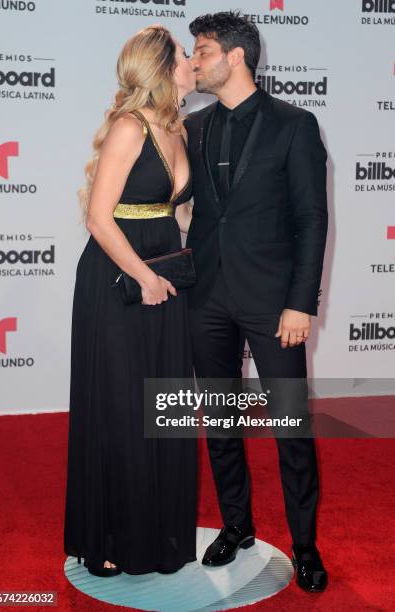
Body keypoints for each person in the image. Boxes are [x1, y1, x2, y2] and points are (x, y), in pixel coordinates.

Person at [182, 11, 329, 592]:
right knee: (218, 421)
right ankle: (236, 524)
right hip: (206, 297)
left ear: (235, 56)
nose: (194, 61)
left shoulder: (295, 124)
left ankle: (305, 545)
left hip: (274, 304)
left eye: (202, 51)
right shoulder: (192, 127)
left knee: (291, 427)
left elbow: (311, 220)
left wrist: (301, 303)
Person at [63, 25, 197, 577]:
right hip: (119, 279)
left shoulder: (179, 128)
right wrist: (143, 277)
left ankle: (160, 534)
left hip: (163, 276)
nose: (194, 62)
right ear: (164, 68)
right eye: (186, 55)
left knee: (162, 410)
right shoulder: (129, 126)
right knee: (121, 409)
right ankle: (112, 535)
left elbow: (178, 211)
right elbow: (99, 218)